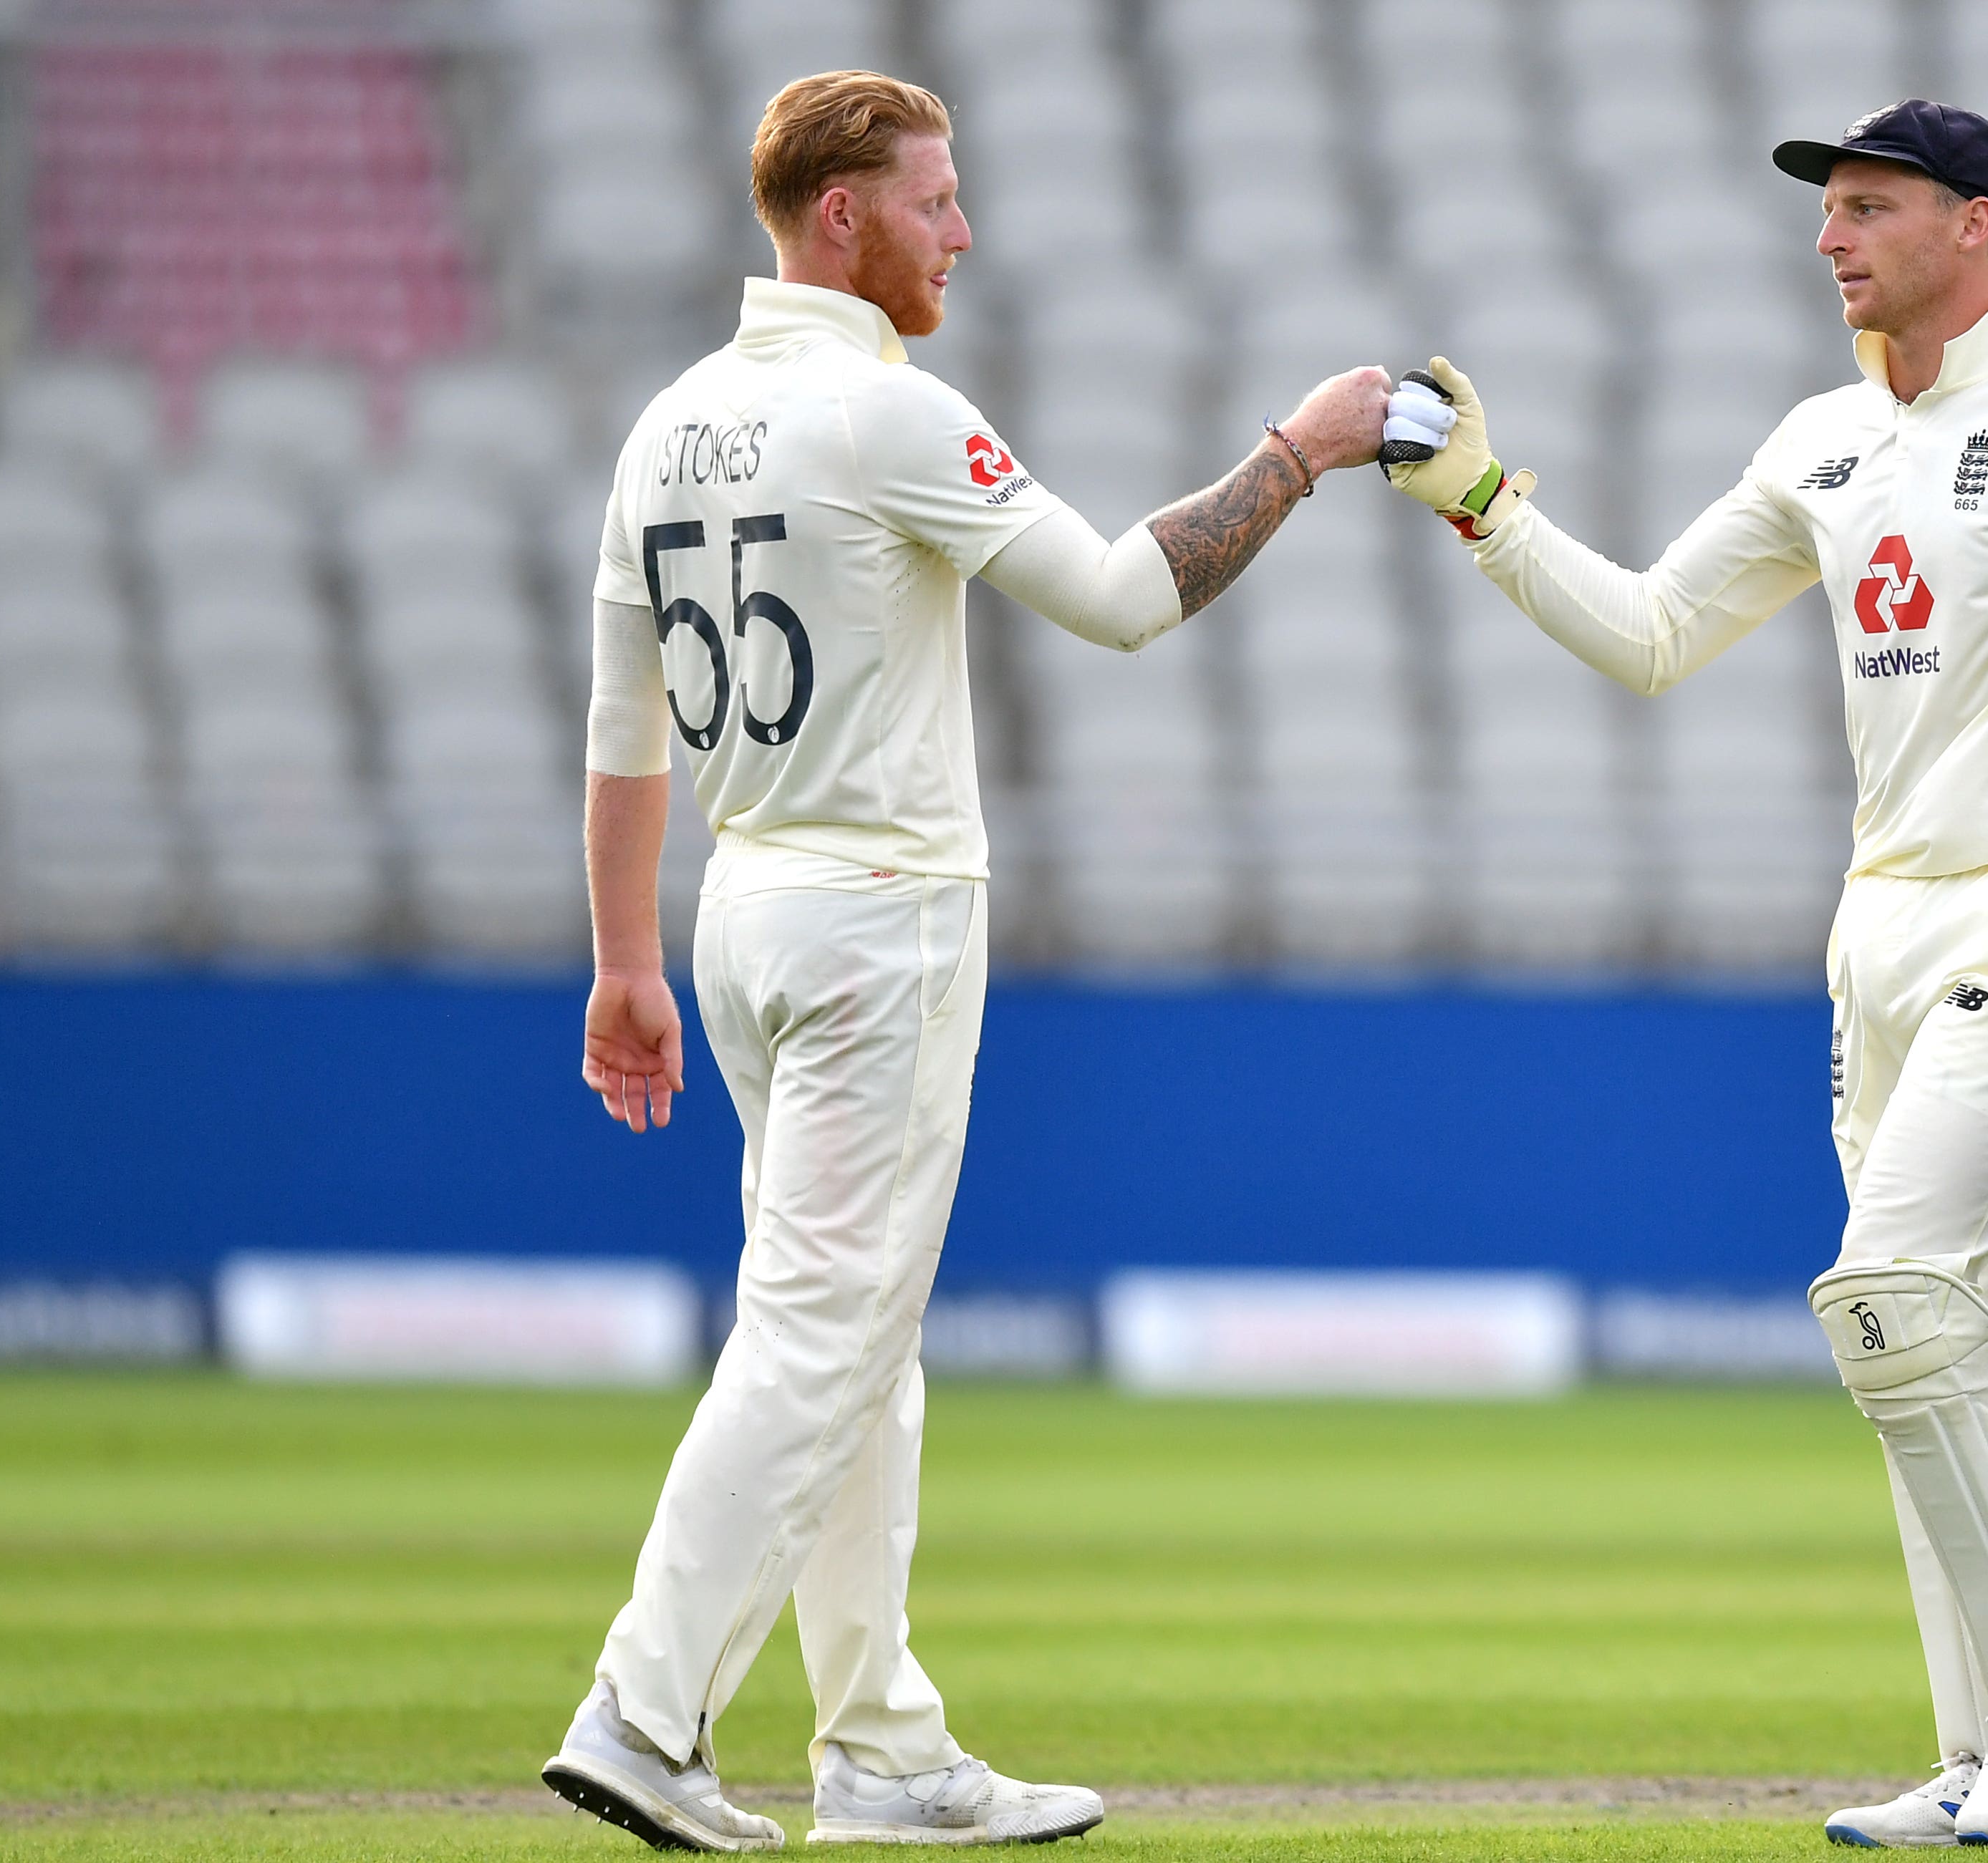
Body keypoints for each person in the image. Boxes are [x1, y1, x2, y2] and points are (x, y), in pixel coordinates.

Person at [546, 69, 1389, 1852]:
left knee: (863, 1337)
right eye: (934, 199)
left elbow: (624, 735)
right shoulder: (877, 410)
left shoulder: (668, 425)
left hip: (738, 914)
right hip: (876, 916)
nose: (964, 230)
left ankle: (880, 1747)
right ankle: (642, 1706)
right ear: (838, 216)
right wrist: (1299, 450)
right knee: (819, 1326)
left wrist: (623, 960)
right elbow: (1121, 595)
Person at [1381, 101, 1988, 1849]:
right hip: (1878, 932)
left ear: (1975, 226)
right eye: (1826, 210)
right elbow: (1651, 632)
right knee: (1959, 1340)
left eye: (1869, 207)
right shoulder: (1823, 440)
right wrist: (1478, 501)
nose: (1831, 237)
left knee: (1886, 1294)